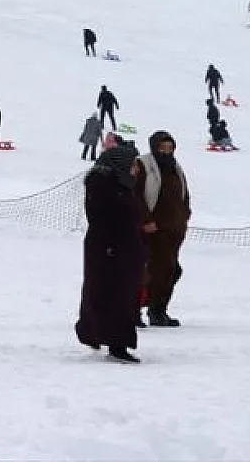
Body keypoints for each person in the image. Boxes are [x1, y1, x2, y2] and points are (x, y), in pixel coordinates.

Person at [75, 142, 144, 362]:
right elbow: (102, 220)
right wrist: (111, 248)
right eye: (133, 164)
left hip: (122, 250)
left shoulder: (122, 185)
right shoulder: (103, 186)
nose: (136, 169)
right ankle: (117, 343)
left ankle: (96, 333)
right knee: (115, 296)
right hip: (110, 250)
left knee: (112, 295)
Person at [133, 131, 190, 327]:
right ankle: (134, 310)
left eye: (170, 147)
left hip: (173, 230)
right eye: (162, 147)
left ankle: (158, 310)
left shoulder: (176, 168)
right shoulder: (144, 165)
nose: (166, 151)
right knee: (150, 272)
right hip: (152, 231)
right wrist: (146, 220)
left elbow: (184, 196)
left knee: (171, 271)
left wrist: (184, 218)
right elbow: (136, 194)